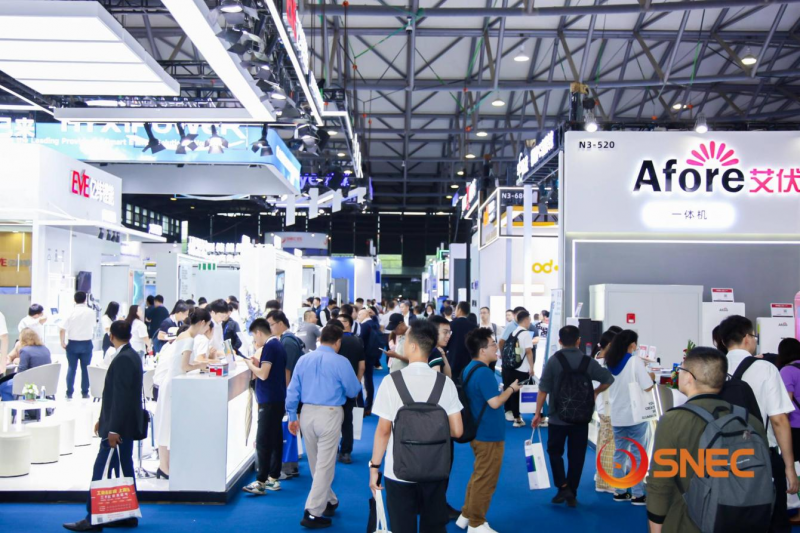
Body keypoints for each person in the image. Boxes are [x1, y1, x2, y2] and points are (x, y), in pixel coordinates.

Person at [646, 347, 769, 533]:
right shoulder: (749, 421)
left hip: (688, 522)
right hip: (745, 520)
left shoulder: (673, 421)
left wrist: (656, 527)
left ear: (688, 378)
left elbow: (660, 483)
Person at [370, 320, 464, 533]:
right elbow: (457, 431)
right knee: (434, 526)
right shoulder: (445, 383)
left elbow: (383, 431)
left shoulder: (391, 382)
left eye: (405, 341)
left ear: (412, 346)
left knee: (402, 526)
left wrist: (374, 467)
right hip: (435, 468)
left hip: (398, 470)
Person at [63, 320, 144, 532]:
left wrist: (113, 428)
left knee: (101, 469)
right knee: (124, 469)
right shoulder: (132, 355)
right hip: (123, 424)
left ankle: (94, 517)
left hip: (119, 428)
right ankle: (127, 513)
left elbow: (120, 397)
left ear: (111, 336)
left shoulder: (123, 358)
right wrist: (105, 419)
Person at [720, 315, 798, 531]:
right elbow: (779, 420)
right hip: (761, 455)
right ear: (747, 338)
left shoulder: (713, 368)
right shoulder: (765, 369)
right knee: (772, 518)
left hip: (719, 455)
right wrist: (789, 467)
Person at [286, 325, 362, 528]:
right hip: (329, 413)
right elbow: (353, 390)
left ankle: (329, 500)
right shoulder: (341, 361)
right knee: (325, 465)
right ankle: (312, 512)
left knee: (315, 463)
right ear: (338, 342)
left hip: (306, 413)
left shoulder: (304, 359)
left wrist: (292, 414)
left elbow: (293, 389)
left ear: (320, 339)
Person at [533, 325, 613, 507]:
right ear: (579, 341)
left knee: (555, 452)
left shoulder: (554, 361)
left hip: (557, 417)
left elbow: (543, 390)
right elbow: (608, 379)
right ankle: (572, 491)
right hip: (581, 418)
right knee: (577, 455)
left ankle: (562, 486)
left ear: (560, 341)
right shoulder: (588, 361)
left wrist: (538, 413)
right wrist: (595, 392)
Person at [458, 328, 521, 533]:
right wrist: (511, 389)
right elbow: (495, 402)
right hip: (489, 433)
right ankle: (476, 523)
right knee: (486, 479)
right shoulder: (484, 372)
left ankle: (466, 514)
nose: (496, 348)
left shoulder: (470, 368)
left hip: (479, 431)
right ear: (482, 350)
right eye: (493, 344)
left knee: (479, 475)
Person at [154, 310, 211, 478]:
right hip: (174, 385)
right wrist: (201, 366)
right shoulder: (189, 339)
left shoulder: (183, 335)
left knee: (166, 425)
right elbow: (185, 366)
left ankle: (165, 466)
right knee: (167, 425)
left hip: (172, 383)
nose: (207, 329)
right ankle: (164, 467)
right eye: (207, 325)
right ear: (202, 322)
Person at [604, 329, 654, 505]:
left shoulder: (610, 362)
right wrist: (651, 376)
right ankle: (638, 494)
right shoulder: (634, 361)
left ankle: (620, 491)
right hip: (635, 416)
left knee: (620, 454)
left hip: (617, 415)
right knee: (638, 454)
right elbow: (647, 386)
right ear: (632, 344)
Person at [242, 318, 288, 495]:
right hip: (277, 398)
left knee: (263, 440)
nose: (255, 340)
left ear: (258, 333)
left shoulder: (270, 347)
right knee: (275, 438)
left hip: (269, 400)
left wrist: (250, 365)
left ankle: (261, 481)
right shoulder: (278, 345)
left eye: (254, 336)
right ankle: (273, 478)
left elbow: (263, 374)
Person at [327, 317, 365, 464]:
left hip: (332, 389)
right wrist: (356, 384)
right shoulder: (356, 341)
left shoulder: (331, 345)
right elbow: (362, 366)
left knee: (330, 421)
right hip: (350, 387)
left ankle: (332, 450)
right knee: (347, 420)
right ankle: (346, 452)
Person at [593, 329, 618, 494]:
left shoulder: (597, 358)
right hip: (608, 408)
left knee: (603, 441)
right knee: (608, 445)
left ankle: (600, 476)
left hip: (603, 407)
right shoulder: (606, 364)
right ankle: (606, 483)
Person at [60, 291, 97, 400]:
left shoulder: (70, 312)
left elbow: (62, 329)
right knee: (85, 369)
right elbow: (94, 325)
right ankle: (85, 392)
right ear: (85, 300)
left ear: (74, 300)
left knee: (71, 368)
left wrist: (62, 342)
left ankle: (69, 392)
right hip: (86, 343)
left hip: (73, 343)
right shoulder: (91, 312)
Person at [503, 310, 537, 427]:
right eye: (529, 320)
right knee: (525, 392)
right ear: (526, 320)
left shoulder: (514, 332)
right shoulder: (526, 334)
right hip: (522, 369)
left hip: (512, 367)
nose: (530, 322)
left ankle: (516, 418)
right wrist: (531, 367)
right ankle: (537, 416)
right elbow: (529, 351)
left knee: (514, 393)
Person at [0, 329, 51, 401]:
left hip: (29, 385)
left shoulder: (25, 351)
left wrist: (18, 362)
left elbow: (21, 373)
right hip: (45, 384)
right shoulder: (45, 349)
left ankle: (12, 408)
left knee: (2, 387)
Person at [266, 311, 305, 386]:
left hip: (293, 386)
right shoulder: (286, 338)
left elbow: (286, 370)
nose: (269, 328)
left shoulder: (287, 341)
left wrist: (285, 391)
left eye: (271, 325)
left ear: (280, 323)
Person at [448, 302, 479, 380]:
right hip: (469, 360)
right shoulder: (474, 327)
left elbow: (447, 342)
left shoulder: (451, 325)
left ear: (460, 310)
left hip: (453, 359)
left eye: (456, 309)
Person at [358, 308, 380, 415]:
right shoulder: (374, 323)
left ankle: (365, 406)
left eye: (360, 314)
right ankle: (368, 405)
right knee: (368, 380)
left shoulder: (364, 325)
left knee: (364, 381)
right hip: (372, 355)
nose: (358, 317)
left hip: (364, 356)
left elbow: (360, 340)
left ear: (366, 314)